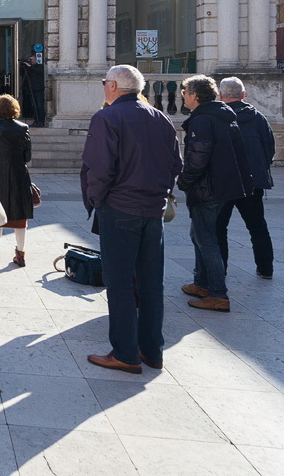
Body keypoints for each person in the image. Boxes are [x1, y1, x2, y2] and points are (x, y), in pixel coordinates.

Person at [81, 65, 181, 374]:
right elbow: (176, 164)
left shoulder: (106, 118)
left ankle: (125, 352)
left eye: (103, 82)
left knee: (120, 282)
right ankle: (152, 350)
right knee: (151, 282)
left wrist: (98, 200)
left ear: (112, 86)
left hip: (120, 208)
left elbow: (98, 168)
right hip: (153, 210)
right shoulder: (161, 117)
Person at [177, 75, 252, 313]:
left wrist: (184, 180)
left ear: (195, 96)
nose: (184, 96)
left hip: (207, 189)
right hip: (223, 187)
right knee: (199, 235)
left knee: (206, 239)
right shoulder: (223, 116)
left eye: (185, 92)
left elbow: (197, 159)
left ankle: (218, 294)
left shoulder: (202, 120)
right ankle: (202, 283)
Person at [215, 77, 276, 280]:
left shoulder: (218, 117)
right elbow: (269, 148)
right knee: (257, 225)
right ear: (243, 95)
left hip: (225, 181)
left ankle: (219, 270)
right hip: (253, 181)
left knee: (218, 227)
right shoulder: (258, 117)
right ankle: (266, 268)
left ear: (221, 95)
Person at [0, 95, 34, 268]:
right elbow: (27, 156)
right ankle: (20, 254)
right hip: (18, 174)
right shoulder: (23, 128)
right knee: (19, 215)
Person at [19, 55, 47, 127]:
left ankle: (41, 121)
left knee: (39, 105)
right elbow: (22, 74)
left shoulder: (39, 66)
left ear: (35, 60)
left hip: (38, 89)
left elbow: (39, 72)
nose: (31, 61)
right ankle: (36, 120)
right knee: (33, 105)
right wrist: (23, 65)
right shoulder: (28, 68)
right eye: (30, 60)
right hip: (31, 89)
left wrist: (30, 66)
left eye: (32, 60)